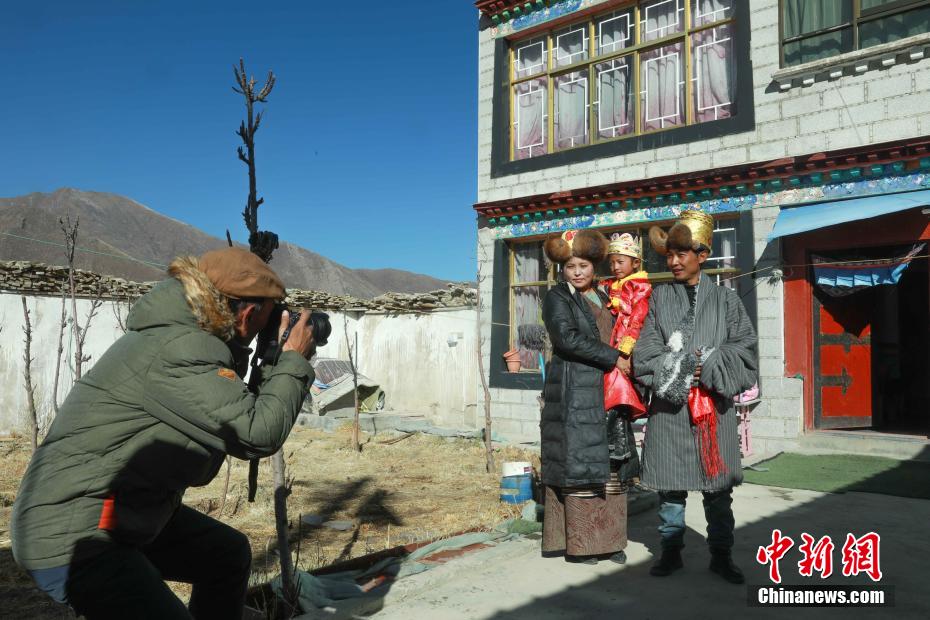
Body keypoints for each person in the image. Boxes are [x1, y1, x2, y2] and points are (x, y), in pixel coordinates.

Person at [11, 247, 317, 619]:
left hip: (123, 512)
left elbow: (232, 424)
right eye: (269, 316)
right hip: (72, 532)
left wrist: (269, 356)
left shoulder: (188, 341)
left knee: (226, 554)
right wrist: (293, 358)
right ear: (247, 314)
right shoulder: (180, 350)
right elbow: (257, 432)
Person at [632, 210, 758, 584]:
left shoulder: (726, 300)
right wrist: (687, 368)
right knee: (670, 491)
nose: (673, 261)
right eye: (669, 254)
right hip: (670, 411)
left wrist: (712, 365)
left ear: (702, 255)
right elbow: (645, 352)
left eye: (682, 253)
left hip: (712, 411)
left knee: (718, 492)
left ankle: (722, 555)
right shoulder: (659, 298)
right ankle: (671, 551)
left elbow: (745, 349)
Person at [539, 229, 628, 565]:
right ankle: (582, 545)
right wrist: (615, 357)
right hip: (576, 391)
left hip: (609, 389)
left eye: (583, 266)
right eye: (570, 267)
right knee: (580, 467)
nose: (577, 272)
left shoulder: (606, 296)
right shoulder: (557, 297)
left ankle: (612, 541)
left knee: (612, 465)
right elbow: (566, 338)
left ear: (594, 267)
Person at [600, 233, 652, 486]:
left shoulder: (639, 286)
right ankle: (621, 459)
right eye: (612, 262)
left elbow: (637, 318)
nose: (615, 267)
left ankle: (619, 453)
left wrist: (625, 351)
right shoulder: (611, 285)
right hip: (612, 343)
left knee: (618, 394)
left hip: (626, 345)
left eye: (620, 261)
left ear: (635, 263)